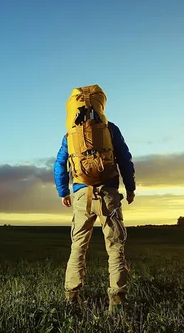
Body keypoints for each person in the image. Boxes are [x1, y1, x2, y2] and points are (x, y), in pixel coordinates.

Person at [53, 85, 136, 312]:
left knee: (78, 247)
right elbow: (125, 160)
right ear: (100, 105)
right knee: (115, 247)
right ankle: (117, 303)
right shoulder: (110, 129)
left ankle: (71, 299)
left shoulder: (70, 134)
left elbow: (60, 164)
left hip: (81, 194)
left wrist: (64, 192)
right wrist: (130, 188)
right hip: (108, 193)